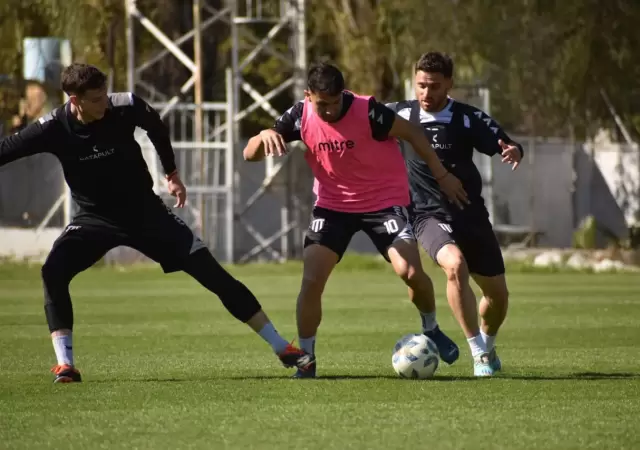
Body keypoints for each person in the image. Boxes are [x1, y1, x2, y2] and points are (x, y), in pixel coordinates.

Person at [0, 63, 312, 383]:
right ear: (74, 100)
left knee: (212, 274)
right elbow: (8, 149)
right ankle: (66, 365)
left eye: (105, 94)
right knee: (53, 271)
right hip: (94, 219)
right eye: (96, 99)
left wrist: (171, 173)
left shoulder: (125, 106)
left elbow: (156, 127)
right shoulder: (52, 127)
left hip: (146, 213)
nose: (104, 102)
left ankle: (281, 347)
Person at [243, 62, 468, 378]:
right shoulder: (299, 115)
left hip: (384, 203)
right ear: (308, 96)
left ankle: (430, 329)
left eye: (336, 103)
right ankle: (307, 360)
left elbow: (413, 134)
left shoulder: (368, 112)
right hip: (333, 207)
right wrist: (263, 134)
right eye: (323, 104)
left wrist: (441, 175)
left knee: (411, 271)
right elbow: (249, 154)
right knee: (311, 279)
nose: (331, 111)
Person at [386, 51, 524, 377]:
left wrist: (513, 148)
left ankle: (488, 346)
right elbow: (356, 116)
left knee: (497, 297)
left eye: (434, 86)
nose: (426, 93)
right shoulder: (400, 114)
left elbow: (503, 140)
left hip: (471, 215)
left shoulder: (467, 117)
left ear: (449, 83)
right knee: (454, 265)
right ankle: (477, 352)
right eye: (421, 85)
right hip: (427, 214)